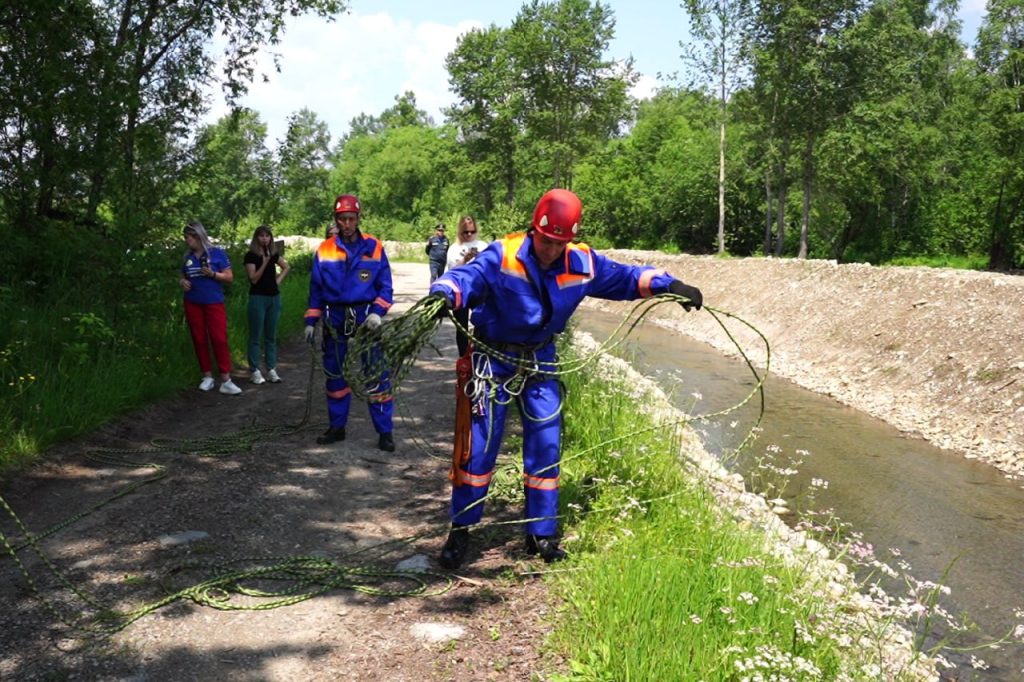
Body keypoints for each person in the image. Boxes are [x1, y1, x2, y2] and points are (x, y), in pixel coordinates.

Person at [427, 189, 703, 569]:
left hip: (541, 359)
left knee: (546, 441)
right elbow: (466, 278)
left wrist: (669, 285)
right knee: (479, 444)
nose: (552, 250)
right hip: (493, 358)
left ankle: (540, 533)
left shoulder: (582, 261)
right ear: (533, 230)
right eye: (547, 240)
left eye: (561, 242)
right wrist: (444, 294)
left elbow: (626, 278)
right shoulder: (502, 254)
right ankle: (461, 530)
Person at [305, 194, 396, 452]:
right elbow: (316, 289)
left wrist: (378, 312)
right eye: (342, 219)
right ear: (336, 220)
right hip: (335, 318)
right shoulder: (324, 250)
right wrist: (312, 320)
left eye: (351, 218)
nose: (346, 223)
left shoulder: (374, 247)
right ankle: (337, 427)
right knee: (335, 373)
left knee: (376, 373)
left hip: (366, 318)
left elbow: (385, 286)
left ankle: (385, 431)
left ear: (358, 219)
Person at [178, 221, 243, 395]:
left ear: (198, 236)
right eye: (185, 238)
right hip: (192, 302)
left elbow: (229, 277)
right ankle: (207, 376)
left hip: (213, 302)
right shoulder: (187, 257)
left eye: (188, 237)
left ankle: (226, 379)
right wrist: (182, 282)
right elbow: (183, 276)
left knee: (219, 339)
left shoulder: (217, 254)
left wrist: (213, 274)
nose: (186, 241)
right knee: (199, 338)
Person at [244, 225, 291, 385]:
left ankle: (271, 369)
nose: (264, 238)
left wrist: (277, 281)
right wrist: (264, 263)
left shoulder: (273, 254)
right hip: (258, 298)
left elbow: (286, 267)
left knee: (271, 335)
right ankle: (255, 370)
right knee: (256, 336)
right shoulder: (250, 256)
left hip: (274, 298)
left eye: (267, 236)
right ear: (256, 238)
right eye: (261, 236)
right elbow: (253, 279)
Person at [445, 215, 489, 357]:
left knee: (483, 324)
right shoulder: (453, 248)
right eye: (466, 232)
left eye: (472, 231)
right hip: (461, 290)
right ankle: (463, 358)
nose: (469, 234)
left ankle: (481, 355)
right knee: (461, 327)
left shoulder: (483, 246)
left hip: (479, 289)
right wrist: (465, 259)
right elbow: (452, 271)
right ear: (460, 232)